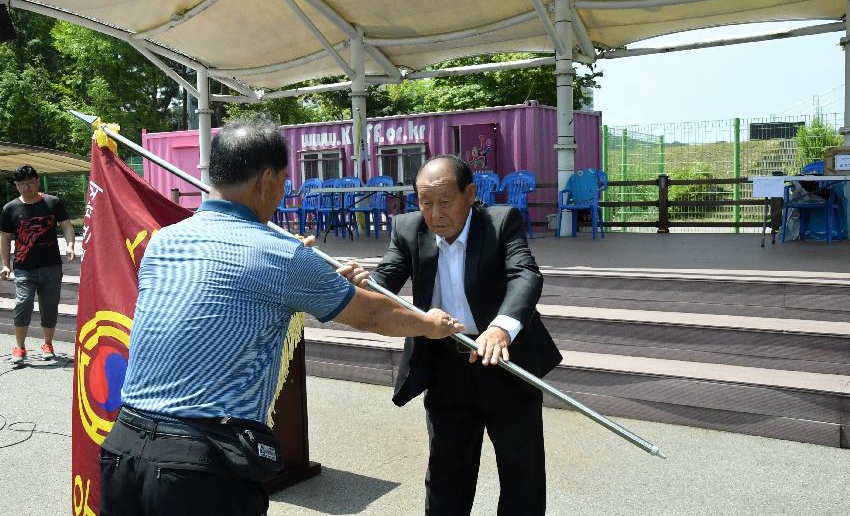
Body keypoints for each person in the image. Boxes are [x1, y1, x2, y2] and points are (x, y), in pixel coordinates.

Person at [99, 118, 464, 516]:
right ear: (266, 179)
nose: (283, 191)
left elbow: (227, 302)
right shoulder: (281, 254)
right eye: (284, 181)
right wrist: (431, 325)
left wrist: (311, 278)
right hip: (197, 467)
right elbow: (371, 314)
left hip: (123, 447)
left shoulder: (165, 240)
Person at [338, 155, 562, 515]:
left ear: (470, 194)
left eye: (446, 201)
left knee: (522, 473)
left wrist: (500, 328)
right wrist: (358, 284)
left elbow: (525, 275)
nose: (435, 213)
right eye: (426, 203)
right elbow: (386, 280)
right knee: (446, 472)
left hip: (503, 360)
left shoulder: (500, 222)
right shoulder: (409, 229)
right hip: (445, 365)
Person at [1, 164, 76, 363]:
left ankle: (47, 344)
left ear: (37, 180)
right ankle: (20, 347)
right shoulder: (10, 209)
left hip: (51, 266)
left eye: (30, 182)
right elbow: (5, 237)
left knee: (49, 308)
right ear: (16, 185)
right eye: (21, 184)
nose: (26, 187)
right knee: (23, 304)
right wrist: (5, 264)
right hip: (24, 267)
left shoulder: (53, 202)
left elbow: (67, 226)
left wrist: (70, 245)